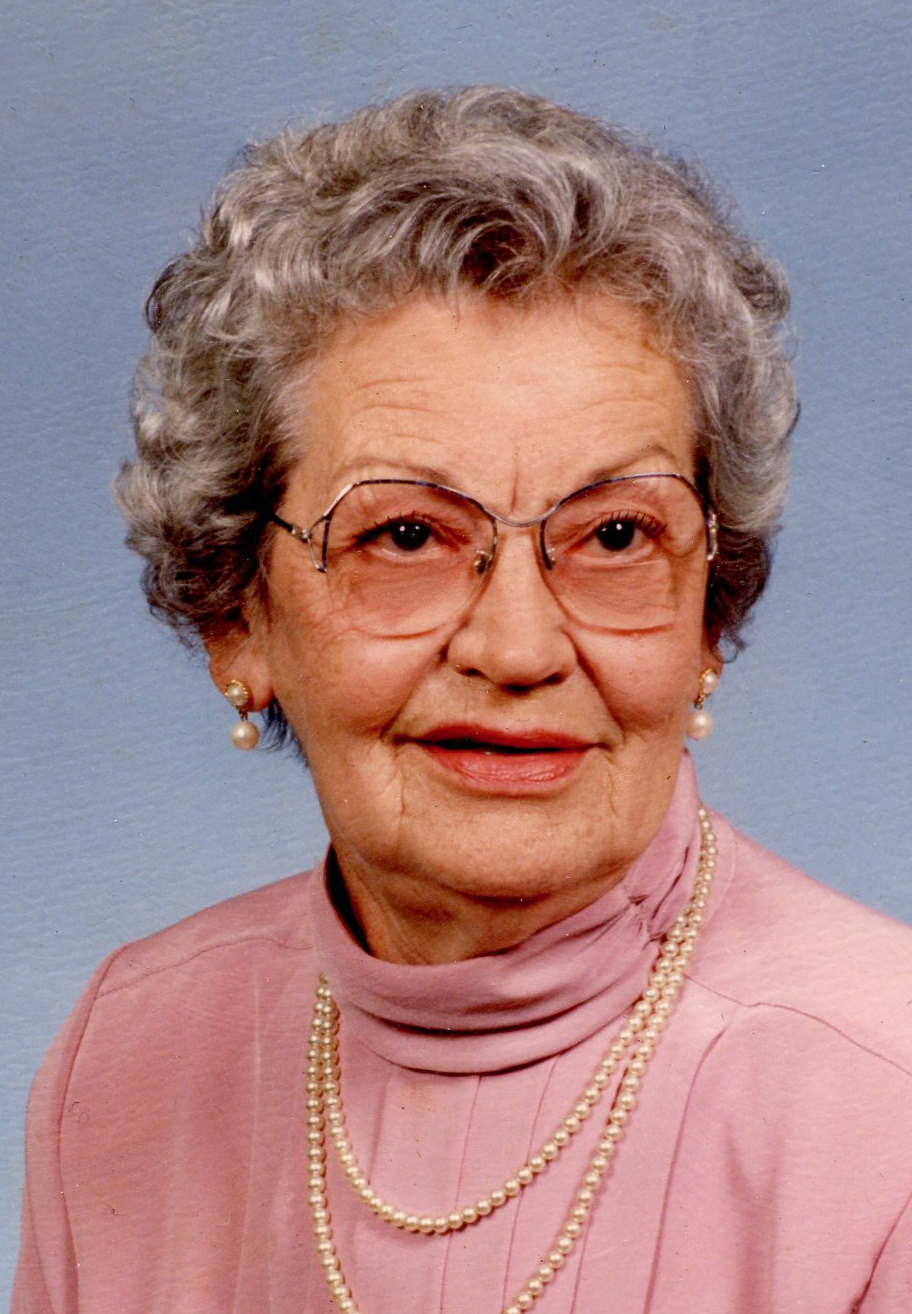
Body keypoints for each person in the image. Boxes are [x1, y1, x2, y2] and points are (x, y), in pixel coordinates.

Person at [12, 87, 912, 1314]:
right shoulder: (126, 1053)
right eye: (404, 534)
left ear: (710, 613)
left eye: (614, 534)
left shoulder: (885, 1099)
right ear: (236, 614)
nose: (519, 647)